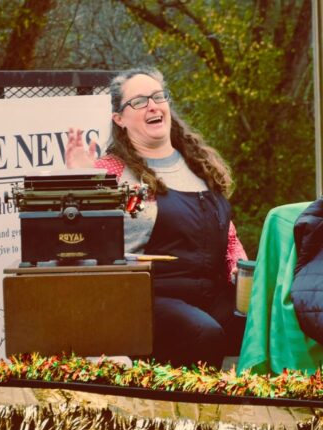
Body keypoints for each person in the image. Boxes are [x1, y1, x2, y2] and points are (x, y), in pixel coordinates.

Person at [66, 67, 247, 368]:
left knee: (266, 321)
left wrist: (240, 274)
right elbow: (82, 240)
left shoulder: (201, 166)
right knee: (205, 334)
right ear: (119, 119)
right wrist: (84, 180)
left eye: (157, 97)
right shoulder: (110, 170)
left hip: (210, 294)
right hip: (146, 300)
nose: (152, 105)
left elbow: (228, 237)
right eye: (138, 101)